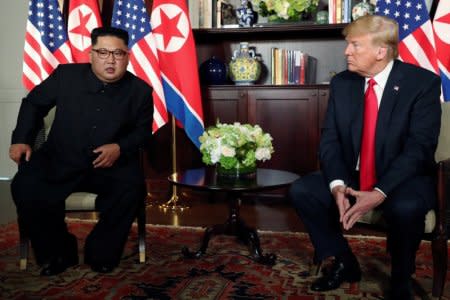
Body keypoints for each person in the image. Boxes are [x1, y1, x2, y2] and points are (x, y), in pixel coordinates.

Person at [289, 15, 441, 299]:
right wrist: (337, 185)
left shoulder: (422, 84)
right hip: (354, 174)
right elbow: (330, 140)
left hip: (403, 177)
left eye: (355, 46)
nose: (347, 52)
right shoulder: (343, 83)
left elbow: (419, 148)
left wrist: (381, 192)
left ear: (381, 51)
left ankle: (400, 279)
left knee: (406, 208)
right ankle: (344, 262)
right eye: (348, 45)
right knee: (303, 190)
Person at [9, 27, 153, 276]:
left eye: (118, 53)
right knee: (25, 185)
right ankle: (58, 253)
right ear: (91, 54)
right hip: (60, 158)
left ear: (127, 56)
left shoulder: (140, 91)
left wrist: (120, 147)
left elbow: (142, 132)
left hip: (109, 164)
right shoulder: (66, 76)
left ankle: (102, 254)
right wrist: (22, 139)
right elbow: (33, 104)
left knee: (133, 187)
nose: (110, 59)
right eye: (103, 52)